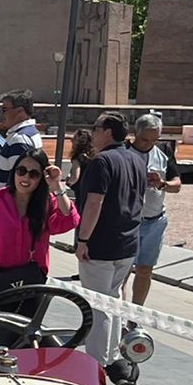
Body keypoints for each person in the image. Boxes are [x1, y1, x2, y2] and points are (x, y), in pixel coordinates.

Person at [73, 112, 148, 366]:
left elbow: (95, 202)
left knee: (97, 303)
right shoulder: (136, 159)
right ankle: (114, 354)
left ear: (108, 131)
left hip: (101, 243)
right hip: (127, 242)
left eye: (96, 128)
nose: (93, 134)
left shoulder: (101, 162)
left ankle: (96, 362)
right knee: (114, 299)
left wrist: (83, 239)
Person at [0, 147, 77, 305]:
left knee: (24, 327)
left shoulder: (47, 204)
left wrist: (57, 186)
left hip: (32, 280)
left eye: (34, 174)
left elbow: (69, 219)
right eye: (21, 170)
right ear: (14, 171)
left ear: (41, 178)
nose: (26, 178)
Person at [129, 114, 182, 305]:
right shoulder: (125, 152)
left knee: (145, 269)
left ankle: (136, 313)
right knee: (123, 269)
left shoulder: (164, 152)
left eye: (154, 140)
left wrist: (162, 184)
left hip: (154, 220)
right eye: (144, 140)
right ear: (135, 133)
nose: (149, 144)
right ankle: (119, 311)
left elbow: (177, 184)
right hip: (129, 220)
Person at [0, 89, 41, 192]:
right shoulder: (30, 132)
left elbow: (20, 180)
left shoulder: (19, 139)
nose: (1, 115)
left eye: (4, 110)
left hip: (5, 204)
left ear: (20, 111)